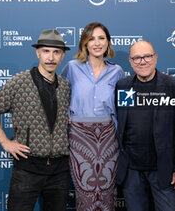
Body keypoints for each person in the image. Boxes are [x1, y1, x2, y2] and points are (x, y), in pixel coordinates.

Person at [0, 29, 71, 211]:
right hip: (27, 170)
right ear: (38, 52)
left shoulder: (65, 86)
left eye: (56, 52)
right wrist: (5, 142)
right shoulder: (20, 82)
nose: (51, 57)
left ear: (62, 55)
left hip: (59, 172)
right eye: (46, 51)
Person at [115, 40, 175, 211]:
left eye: (147, 56)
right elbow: (122, 125)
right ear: (130, 61)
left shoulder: (174, 86)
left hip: (163, 169)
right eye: (137, 58)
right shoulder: (124, 86)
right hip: (131, 171)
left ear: (155, 58)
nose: (142, 61)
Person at [61, 22, 124, 211]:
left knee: (107, 193)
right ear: (84, 44)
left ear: (108, 42)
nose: (97, 43)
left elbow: (123, 107)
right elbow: (60, 95)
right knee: (84, 192)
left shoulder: (117, 71)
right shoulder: (72, 67)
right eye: (91, 39)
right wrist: (64, 115)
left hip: (108, 139)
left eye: (101, 38)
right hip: (79, 137)